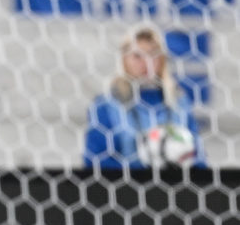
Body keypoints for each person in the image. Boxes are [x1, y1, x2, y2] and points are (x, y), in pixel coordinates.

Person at [83, 22, 205, 169]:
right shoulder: (106, 105)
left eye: (153, 54)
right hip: (125, 189)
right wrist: (142, 172)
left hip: (176, 187)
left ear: (162, 59)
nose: (146, 62)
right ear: (123, 60)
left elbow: (199, 158)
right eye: (137, 56)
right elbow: (94, 160)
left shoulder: (179, 102)